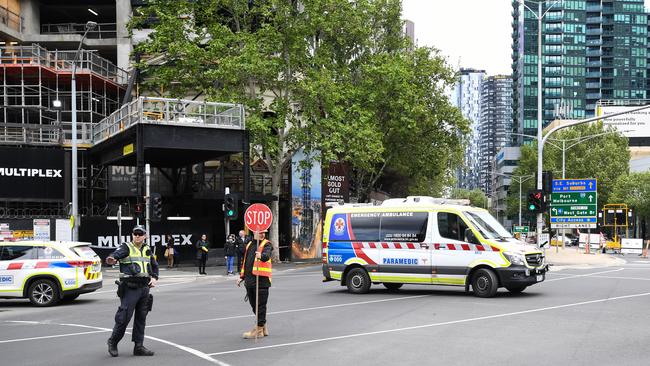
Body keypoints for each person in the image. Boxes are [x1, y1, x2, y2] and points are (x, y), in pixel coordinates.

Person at [105, 225, 159, 357]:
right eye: (135, 233)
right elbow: (115, 255)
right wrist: (111, 259)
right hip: (130, 288)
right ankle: (113, 342)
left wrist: (154, 278)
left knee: (141, 319)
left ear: (145, 236)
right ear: (132, 235)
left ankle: (138, 346)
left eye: (140, 234)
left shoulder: (147, 249)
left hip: (144, 289)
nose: (137, 236)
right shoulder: (126, 247)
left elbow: (154, 266)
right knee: (124, 318)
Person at [237, 230, 273, 339]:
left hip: (261, 281)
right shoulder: (249, 244)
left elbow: (266, 255)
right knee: (254, 306)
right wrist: (241, 277)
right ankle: (262, 326)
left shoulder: (267, 244)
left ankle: (258, 330)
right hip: (250, 281)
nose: (263, 234)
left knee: (260, 306)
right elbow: (246, 262)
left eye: (264, 232)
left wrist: (261, 255)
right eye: (260, 232)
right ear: (254, 233)